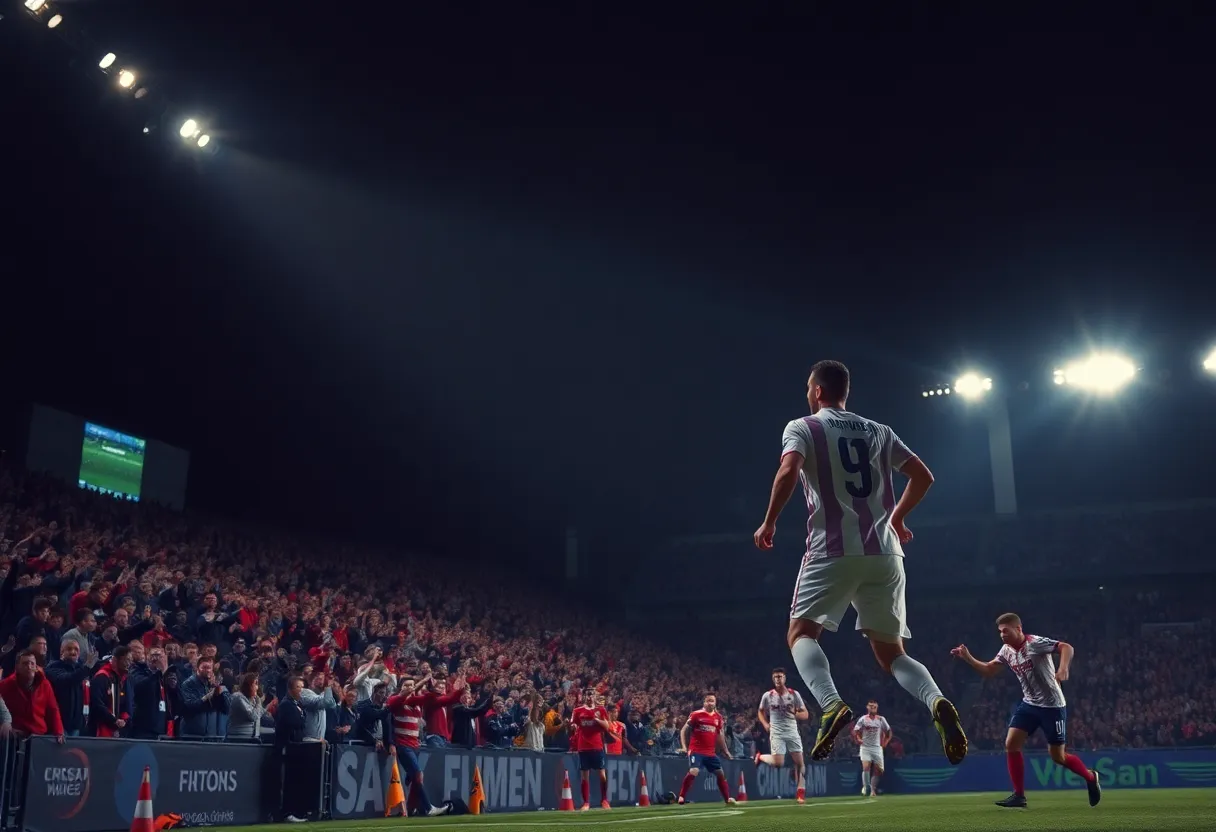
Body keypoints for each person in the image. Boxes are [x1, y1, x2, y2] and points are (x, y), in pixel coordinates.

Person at [752, 360, 967, 764]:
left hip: (831, 550)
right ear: (845, 392)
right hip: (885, 554)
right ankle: (936, 700)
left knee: (801, 633)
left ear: (817, 391)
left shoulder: (803, 426)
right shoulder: (879, 431)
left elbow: (787, 471)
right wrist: (897, 517)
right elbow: (923, 476)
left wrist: (769, 521)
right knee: (892, 654)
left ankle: (832, 705)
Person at [951, 612, 1102, 809]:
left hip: (1052, 706)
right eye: (1000, 632)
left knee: (1058, 757)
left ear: (1018, 629)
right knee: (1011, 744)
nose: (1002, 635)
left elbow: (1066, 647)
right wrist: (968, 658)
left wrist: (1063, 668)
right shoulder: (1006, 650)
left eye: (1006, 631)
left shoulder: (1035, 643)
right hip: (1029, 704)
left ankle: (1091, 777)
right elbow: (989, 671)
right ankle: (1019, 796)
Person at [755, 667, 810, 803]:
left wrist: (795, 713)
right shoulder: (768, 696)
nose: (777, 679)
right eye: (775, 677)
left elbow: (805, 714)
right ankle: (760, 756)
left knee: (800, 763)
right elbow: (760, 711)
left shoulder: (794, 694)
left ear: (785, 678)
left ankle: (800, 792)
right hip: (777, 732)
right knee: (779, 763)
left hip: (792, 731)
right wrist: (766, 724)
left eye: (780, 676)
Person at [677, 693, 735, 805]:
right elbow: (684, 730)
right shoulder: (696, 714)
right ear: (704, 702)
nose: (710, 703)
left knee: (720, 774)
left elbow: (720, 736)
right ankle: (681, 796)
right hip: (696, 750)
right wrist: (684, 747)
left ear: (715, 703)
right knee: (694, 771)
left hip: (710, 753)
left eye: (712, 701)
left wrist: (726, 751)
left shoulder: (718, 717)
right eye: (708, 700)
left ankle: (727, 799)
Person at [0, 650, 65, 741]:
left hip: (39, 736)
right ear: (17, 667)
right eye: (25, 664)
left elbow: (53, 709)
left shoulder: (45, 684)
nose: (29, 667)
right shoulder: (6, 685)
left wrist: (59, 732)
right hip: (16, 736)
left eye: (32, 664)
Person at [571, 687, 615, 810]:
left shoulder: (600, 710)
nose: (590, 697)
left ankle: (604, 800)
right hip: (583, 746)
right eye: (588, 695)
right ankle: (586, 802)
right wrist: (573, 727)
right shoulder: (578, 711)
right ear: (584, 697)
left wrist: (596, 719)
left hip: (597, 746)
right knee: (585, 775)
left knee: (602, 774)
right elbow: (573, 724)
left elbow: (607, 726)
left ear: (595, 696)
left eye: (592, 695)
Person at [852, 700, 890, 797]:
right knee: (866, 767)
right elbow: (855, 731)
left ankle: (873, 788)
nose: (873, 708)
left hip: (877, 748)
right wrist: (858, 739)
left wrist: (885, 742)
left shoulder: (881, 719)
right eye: (871, 706)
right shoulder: (863, 719)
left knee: (879, 770)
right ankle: (866, 787)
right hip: (865, 747)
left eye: (875, 707)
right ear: (867, 707)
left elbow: (889, 732)